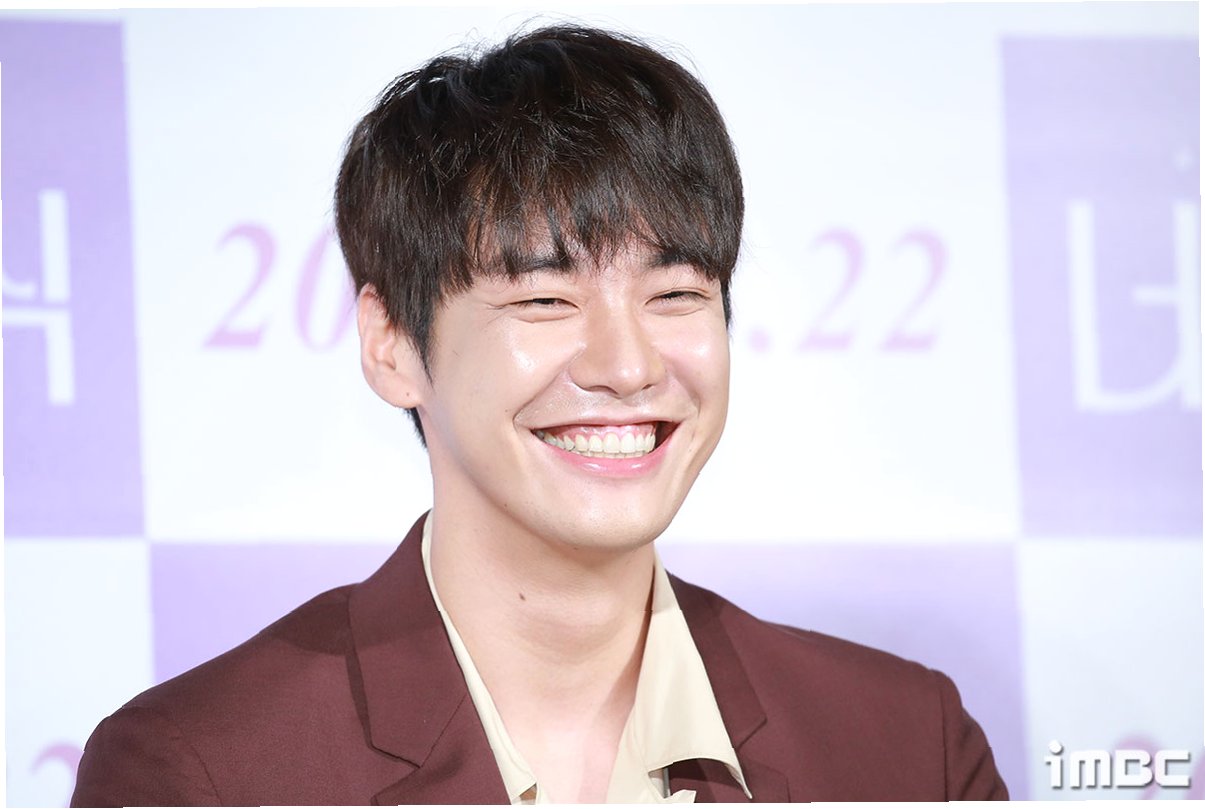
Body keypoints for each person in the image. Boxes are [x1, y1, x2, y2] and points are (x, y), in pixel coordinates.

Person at [71, 24, 1008, 805]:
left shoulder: (907, 745)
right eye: (544, 300)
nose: (627, 365)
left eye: (675, 293)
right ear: (391, 343)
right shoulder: (202, 769)